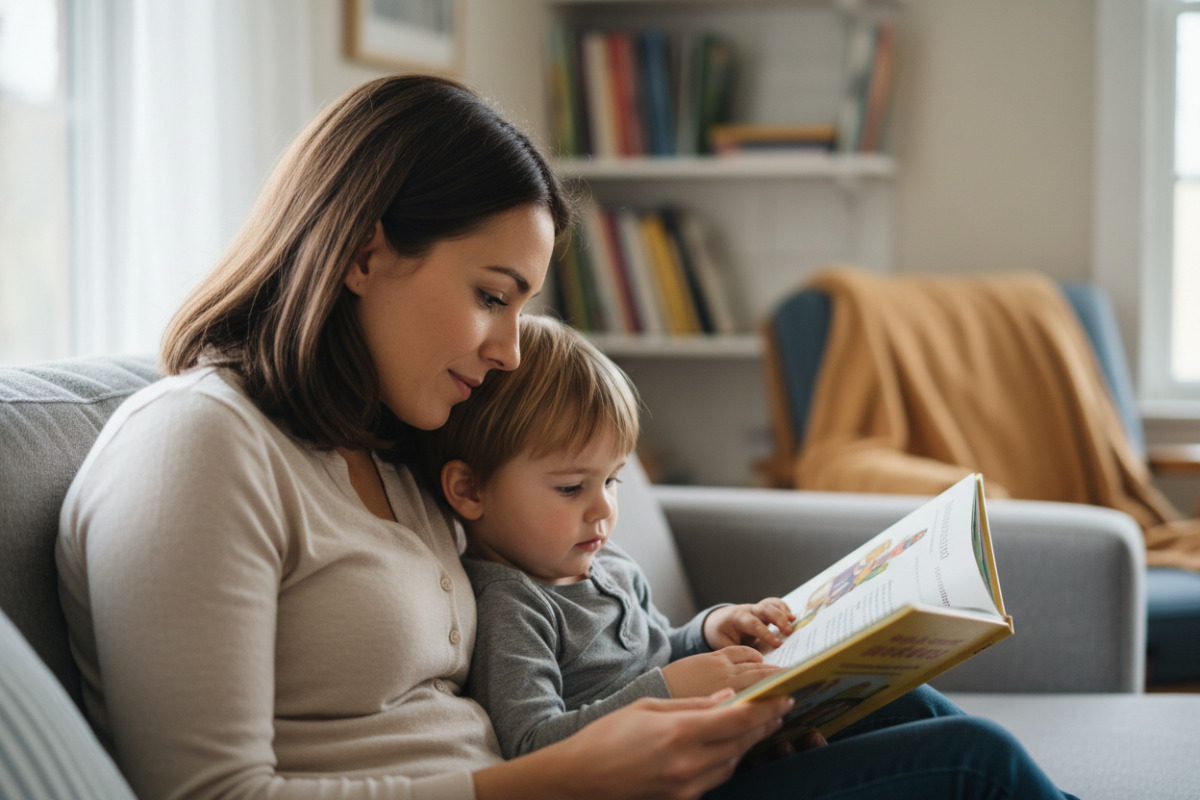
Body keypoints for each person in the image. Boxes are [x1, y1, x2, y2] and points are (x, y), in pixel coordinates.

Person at [54, 73, 1078, 800]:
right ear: (365, 252)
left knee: (911, 713)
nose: (507, 350)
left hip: (569, 781)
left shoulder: (398, 446)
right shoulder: (198, 446)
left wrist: (716, 689)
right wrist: (553, 779)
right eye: (491, 296)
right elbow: (204, 792)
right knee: (972, 765)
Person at [425, 314, 796, 759]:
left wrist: (713, 631)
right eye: (570, 487)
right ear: (469, 490)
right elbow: (533, 745)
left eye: (612, 480)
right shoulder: (512, 611)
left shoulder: (609, 564)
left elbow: (661, 649)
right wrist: (666, 693)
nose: (603, 508)